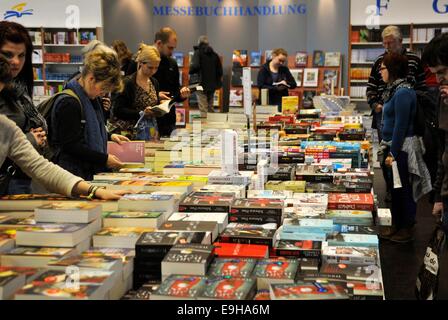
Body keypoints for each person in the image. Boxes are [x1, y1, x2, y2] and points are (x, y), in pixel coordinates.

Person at [0, 54, 125, 200]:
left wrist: (94, 190)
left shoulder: (6, 127)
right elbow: (70, 145)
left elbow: (41, 168)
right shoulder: (69, 102)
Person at [366, 25, 427, 203]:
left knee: (401, 159)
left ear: (400, 41)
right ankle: (391, 190)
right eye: (384, 43)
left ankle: (402, 195)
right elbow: (370, 87)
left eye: (390, 43)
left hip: (406, 115)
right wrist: (376, 105)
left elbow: (422, 88)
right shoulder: (379, 61)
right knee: (386, 157)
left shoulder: (414, 61)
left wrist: (412, 104)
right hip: (383, 113)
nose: (387, 47)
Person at [49, 49, 129, 181]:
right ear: (91, 78)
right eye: (103, 88)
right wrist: (104, 159)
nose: (103, 94)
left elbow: (90, 130)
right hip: (74, 175)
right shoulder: (69, 103)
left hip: (87, 172)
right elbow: (71, 145)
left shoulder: (91, 98)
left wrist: (110, 136)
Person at [379, 52, 432, 243]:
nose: (380, 71)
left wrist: (392, 152)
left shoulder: (403, 92)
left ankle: (406, 227)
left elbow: (401, 126)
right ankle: (397, 224)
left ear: (392, 69)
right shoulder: (394, 90)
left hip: (401, 148)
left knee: (403, 190)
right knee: (395, 190)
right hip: (393, 146)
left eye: (383, 68)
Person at [0, 21, 48, 195]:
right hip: (8, 179)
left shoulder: (18, 87)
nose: (15, 62)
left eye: (22, 55)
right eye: (7, 54)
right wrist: (31, 139)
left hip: (22, 175)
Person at [423, 33, 448, 236]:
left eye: (443, 71)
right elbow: (443, 151)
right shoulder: (442, 97)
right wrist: (438, 196)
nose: (440, 79)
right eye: (435, 73)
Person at [111, 44, 162, 141]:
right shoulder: (128, 83)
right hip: (130, 133)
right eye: (150, 67)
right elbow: (118, 110)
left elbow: (154, 105)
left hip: (150, 131)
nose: (153, 71)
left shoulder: (154, 82)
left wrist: (161, 107)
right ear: (141, 63)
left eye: (156, 68)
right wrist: (141, 113)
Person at [153, 27, 191, 137]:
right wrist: (155, 96)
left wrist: (183, 95)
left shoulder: (172, 64)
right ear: (159, 43)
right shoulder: (141, 61)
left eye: (173, 48)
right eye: (170, 48)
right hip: (149, 121)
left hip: (169, 120)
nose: (172, 52)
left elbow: (175, 93)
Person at [189, 35, 223, 117]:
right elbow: (220, 71)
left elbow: (195, 66)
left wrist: (191, 71)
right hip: (212, 85)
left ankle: (205, 128)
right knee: (210, 107)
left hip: (200, 84)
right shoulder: (215, 55)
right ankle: (212, 127)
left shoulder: (197, 53)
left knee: (203, 107)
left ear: (199, 43)